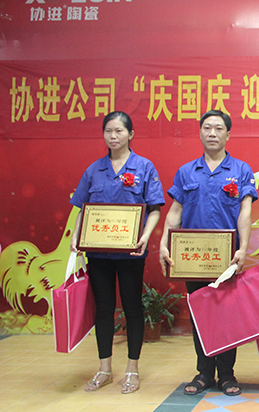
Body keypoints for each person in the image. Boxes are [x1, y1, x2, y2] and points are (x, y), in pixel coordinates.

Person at [159, 110, 257, 396]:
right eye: (207, 128)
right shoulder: (186, 171)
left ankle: (226, 374)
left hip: (226, 259)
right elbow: (175, 212)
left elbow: (245, 212)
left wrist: (243, 248)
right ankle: (204, 372)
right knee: (199, 315)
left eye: (218, 128)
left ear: (228, 134)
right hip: (193, 259)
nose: (212, 133)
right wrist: (164, 243)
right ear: (200, 133)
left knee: (227, 317)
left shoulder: (241, 170)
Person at [70, 111, 165, 394]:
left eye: (119, 131)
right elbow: (83, 209)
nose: (113, 136)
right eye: (108, 131)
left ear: (130, 134)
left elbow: (155, 209)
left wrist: (145, 237)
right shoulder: (94, 170)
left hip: (130, 253)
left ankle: (132, 369)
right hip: (99, 253)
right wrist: (76, 236)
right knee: (103, 309)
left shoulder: (144, 167)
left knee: (133, 308)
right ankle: (104, 369)